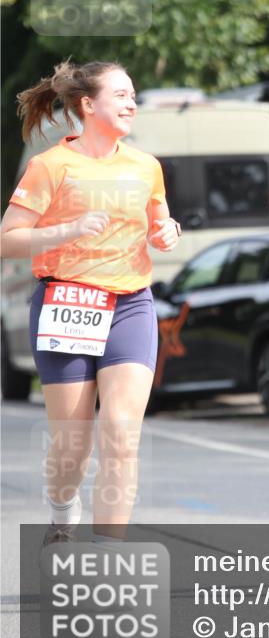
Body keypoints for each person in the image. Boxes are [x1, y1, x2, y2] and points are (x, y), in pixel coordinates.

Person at [0, 60, 181, 547]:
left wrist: (167, 232)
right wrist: (65, 231)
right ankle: (62, 513)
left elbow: (160, 223)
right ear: (87, 104)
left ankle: (108, 554)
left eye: (133, 94)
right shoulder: (51, 166)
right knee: (71, 446)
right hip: (67, 303)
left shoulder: (146, 166)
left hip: (130, 304)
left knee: (121, 435)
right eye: (121, 94)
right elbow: (8, 239)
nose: (131, 102)